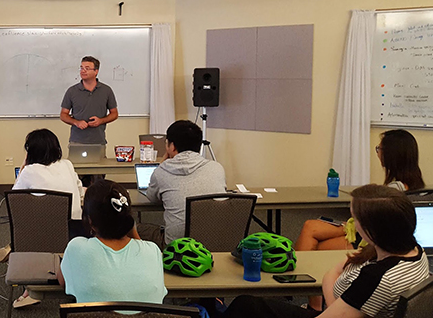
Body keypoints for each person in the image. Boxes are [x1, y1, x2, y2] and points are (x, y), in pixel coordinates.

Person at [223, 184, 430, 318]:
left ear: (372, 230)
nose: (351, 224)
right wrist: (336, 299)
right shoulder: (413, 250)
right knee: (248, 305)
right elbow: (337, 272)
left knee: (245, 307)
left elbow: (334, 274)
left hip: (335, 311)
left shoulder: (376, 279)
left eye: (354, 218)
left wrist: (332, 300)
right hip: (340, 308)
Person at [295, 129, 426, 310]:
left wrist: (354, 225)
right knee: (311, 229)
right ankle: (313, 303)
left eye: (379, 148)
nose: (378, 152)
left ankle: (314, 306)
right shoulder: (411, 184)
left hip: (367, 241)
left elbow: (377, 225)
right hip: (369, 235)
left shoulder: (394, 191)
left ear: (391, 154)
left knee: (312, 238)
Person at [0, 128, 86, 309]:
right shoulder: (67, 165)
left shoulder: (29, 171)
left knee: (27, 226)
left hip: (40, 239)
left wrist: (23, 166)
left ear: (30, 151)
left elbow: (15, 201)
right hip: (74, 235)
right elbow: (80, 191)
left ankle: (29, 288)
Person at [58, 180, 167, 304]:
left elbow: (63, 281)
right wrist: (132, 230)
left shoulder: (76, 248)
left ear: (90, 220)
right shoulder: (152, 251)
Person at [137, 120, 227, 249]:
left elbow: (152, 198)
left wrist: (162, 165)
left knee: (136, 229)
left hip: (176, 246)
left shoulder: (162, 171)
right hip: (214, 242)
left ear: (172, 146)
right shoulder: (217, 168)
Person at [60, 56, 118, 185]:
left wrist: (101, 121)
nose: (83, 71)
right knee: (77, 180)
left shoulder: (106, 90)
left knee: (98, 181)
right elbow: (63, 114)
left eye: (87, 68)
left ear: (96, 71)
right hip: (77, 142)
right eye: (81, 67)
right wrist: (76, 122)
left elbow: (114, 114)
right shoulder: (72, 91)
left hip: (98, 142)